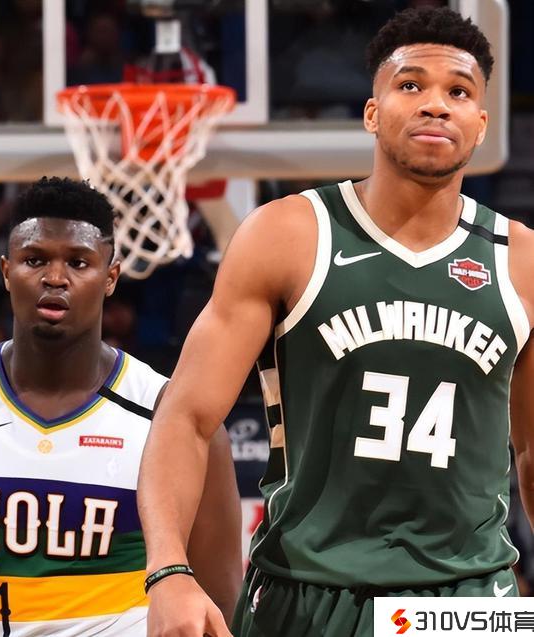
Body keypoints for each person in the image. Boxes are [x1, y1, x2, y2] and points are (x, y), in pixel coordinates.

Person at [138, 7, 534, 637]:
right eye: (411, 85)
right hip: (308, 589)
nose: (436, 104)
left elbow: (532, 450)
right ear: (372, 113)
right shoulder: (288, 234)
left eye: (459, 92)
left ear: (481, 125)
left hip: (468, 600)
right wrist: (167, 570)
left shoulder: (521, 260)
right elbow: (186, 417)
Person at [0, 177, 242, 636]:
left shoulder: (171, 417)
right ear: (6, 271)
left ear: (111, 277)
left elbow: (221, 600)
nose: (55, 277)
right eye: (34, 260)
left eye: (78, 262)